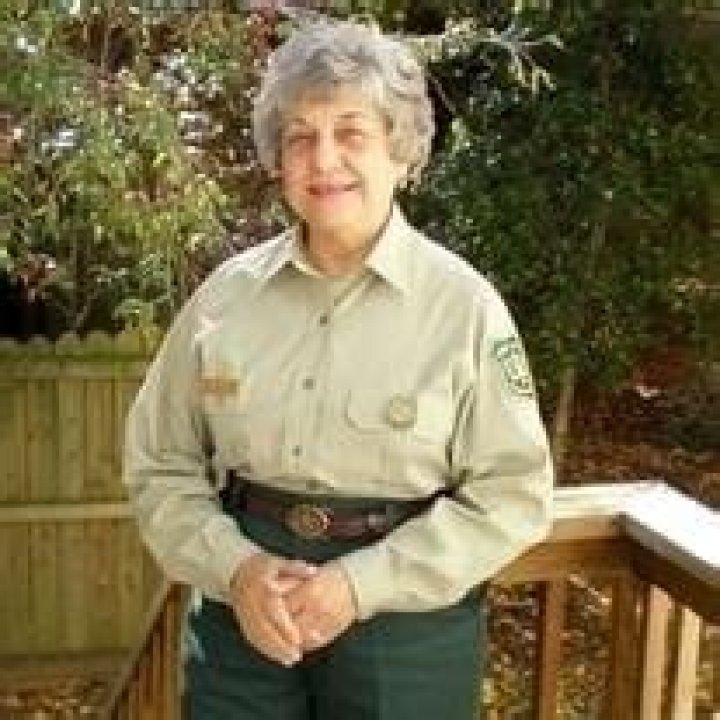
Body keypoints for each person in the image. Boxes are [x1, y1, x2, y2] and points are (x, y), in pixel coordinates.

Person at [123, 17, 554, 720]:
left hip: (407, 632)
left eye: (351, 133)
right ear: (278, 159)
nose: (324, 160)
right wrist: (238, 568)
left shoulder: (465, 309)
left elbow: (514, 495)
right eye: (300, 137)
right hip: (246, 618)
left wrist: (358, 585)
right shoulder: (224, 300)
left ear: (401, 151)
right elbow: (157, 464)